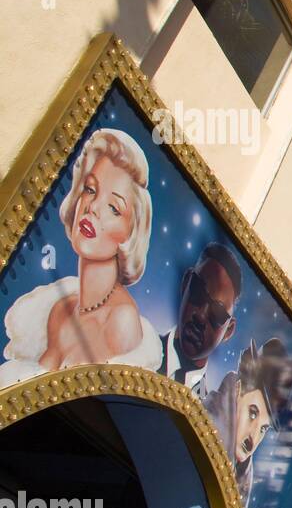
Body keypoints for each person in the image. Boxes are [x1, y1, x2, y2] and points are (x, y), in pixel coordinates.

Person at [0, 128, 161, 387]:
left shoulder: (121, 322)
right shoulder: (60, 310)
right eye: (90, 189)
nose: (93, 207)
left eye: (113, 208)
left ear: (129, 236)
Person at [203, 337, 291, 508]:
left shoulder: (241, 480)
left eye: (263, 429)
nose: (253, 436)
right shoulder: (202, 427)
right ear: (237, 391)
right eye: (252, 414)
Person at [157, 243, 242, 398]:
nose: (201, 316)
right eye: (197, 292)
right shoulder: (137, 347)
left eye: (217, 312)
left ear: (228, 331)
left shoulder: (205, 411)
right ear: (185, 284)